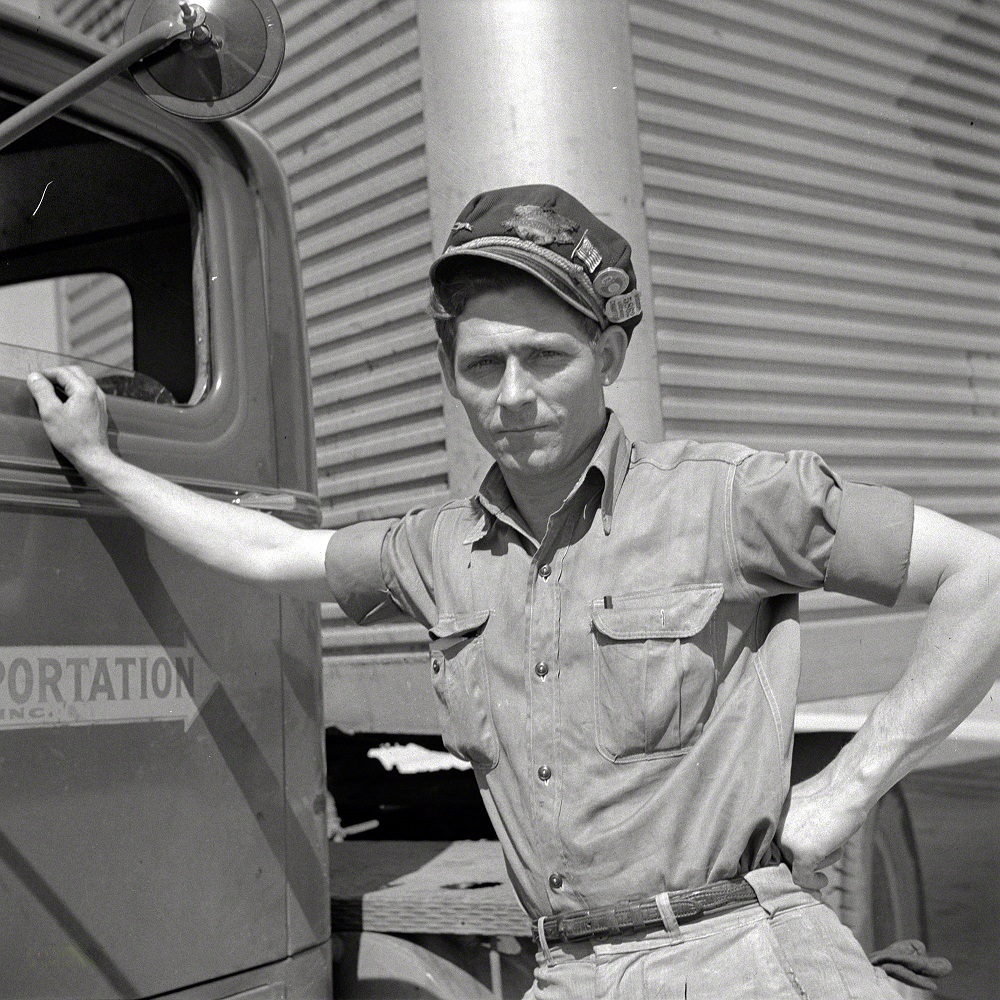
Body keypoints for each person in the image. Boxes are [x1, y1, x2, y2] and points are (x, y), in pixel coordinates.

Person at [26, 184, 991, 998]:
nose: (514, 393)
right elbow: (268, 551)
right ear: (452, 375)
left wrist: (849, 785)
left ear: (609, 357)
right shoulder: (436, 549)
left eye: (548, 357)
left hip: (737, 956)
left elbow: (981, 577)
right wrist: (101, 464)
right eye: (483, 364)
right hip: (564, 971)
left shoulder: (730, 498)